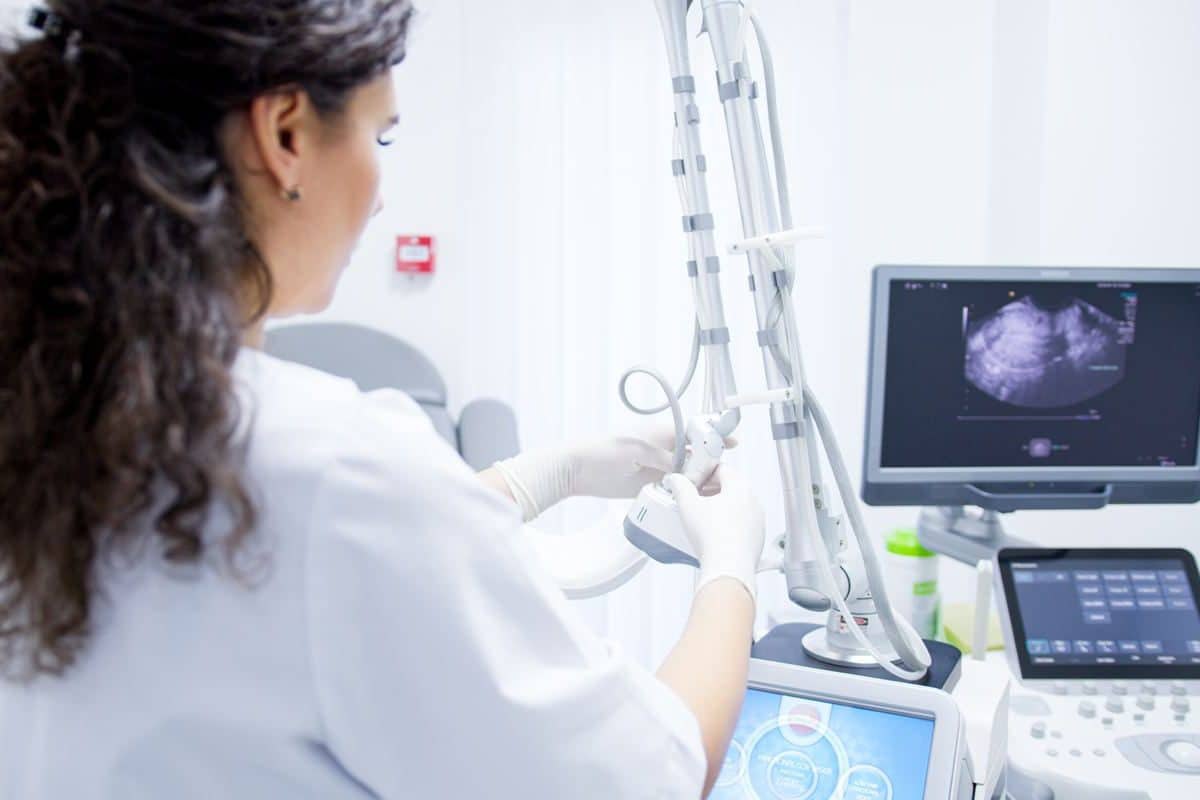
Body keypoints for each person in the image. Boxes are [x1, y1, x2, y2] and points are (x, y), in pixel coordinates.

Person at [0, 2, 766, 797]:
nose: (380, 196)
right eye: (380, 135)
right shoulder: (340, 471)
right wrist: (731, 567)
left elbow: (288, 576)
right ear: (287, 134)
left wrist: (554, 473)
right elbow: (651, 776)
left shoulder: (53, 409)